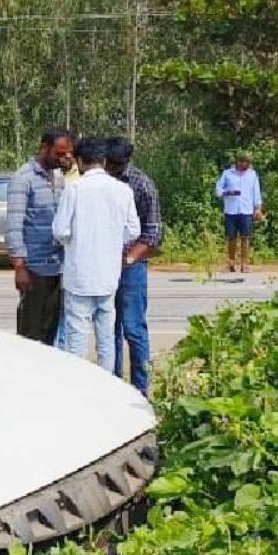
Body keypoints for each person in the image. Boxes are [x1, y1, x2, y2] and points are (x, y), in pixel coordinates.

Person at [52, 138, 140, 372]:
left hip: (79, 276)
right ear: (103, 160)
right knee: (107, 338)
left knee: (76, 339)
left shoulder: (75, 189)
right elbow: (134, 230)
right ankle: (107, 386)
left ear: (80, 161)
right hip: (108, 275)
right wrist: (111, 240)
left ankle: (79, 388)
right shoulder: (123, 190)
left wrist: (77, 241)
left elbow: (60, 230)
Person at [105, 137, 163, 395]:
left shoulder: (142, 184)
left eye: (119, 164)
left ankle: (141, 389)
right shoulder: (100, 183)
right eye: (111, 163)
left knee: (133, 327)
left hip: (132, 265)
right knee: (109, 329)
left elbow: (153, 233)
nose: (114, 168)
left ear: (127, 161)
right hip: (103, 264)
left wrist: (128, 259)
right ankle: (114, 386)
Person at [6, 128, 73, 344]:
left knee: (50, 330)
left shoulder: (59, 177)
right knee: (30, 333)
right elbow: (14, 225)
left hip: (58, 266)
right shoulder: (23, 178)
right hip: (34, 268)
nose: (64, 158)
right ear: (44, 148)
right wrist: (19, 267)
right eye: (59, 154)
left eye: (67, 154)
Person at [215, 152, 264, 272]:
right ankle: (231, 264)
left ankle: (244, 264)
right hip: (231, 210)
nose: (246, 165)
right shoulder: (227, 174)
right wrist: (227, 192)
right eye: (244, 162)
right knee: (231, 238)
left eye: (248, 162)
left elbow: (256, 192)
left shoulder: (252, 175)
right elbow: (218, 190)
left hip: (246, 210)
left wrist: (258, 208)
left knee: (245, 238)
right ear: (238, 162)